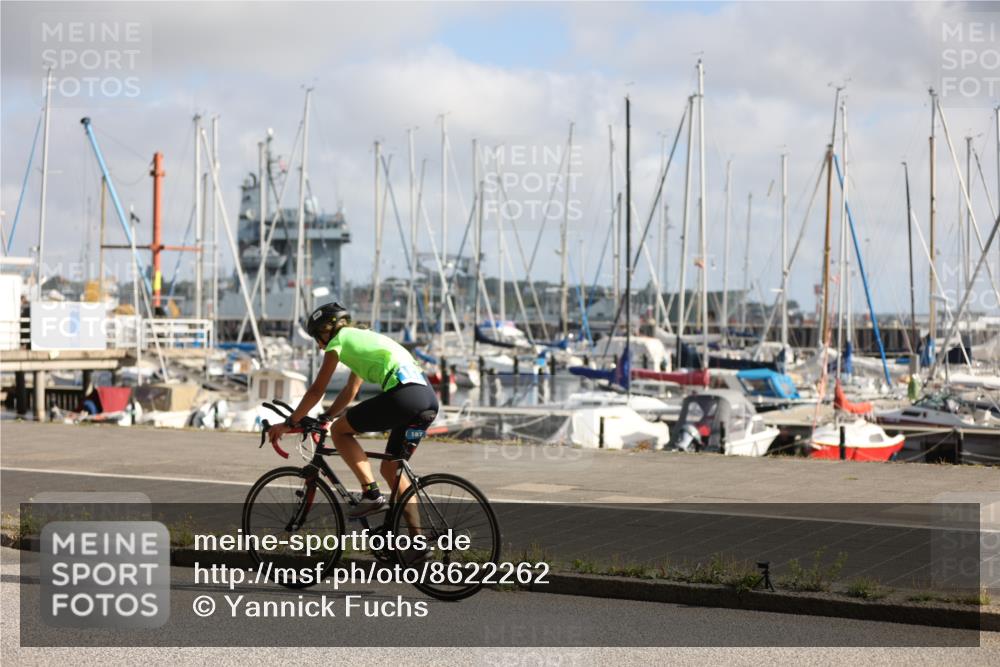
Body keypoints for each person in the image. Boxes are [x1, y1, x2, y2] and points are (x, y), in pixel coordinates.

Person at [268, 302, 439, 518]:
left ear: (326, 330)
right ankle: (418, 546)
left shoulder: (338, 341)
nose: (320, 346)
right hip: (428, 400)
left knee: (340, 431)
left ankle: (371, 495)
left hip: (405, 396)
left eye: (317, 338)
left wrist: (290, 422)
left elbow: (317, 390)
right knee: (391, 469)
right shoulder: (362, 338)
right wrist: (327, 416)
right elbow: (351, 389)